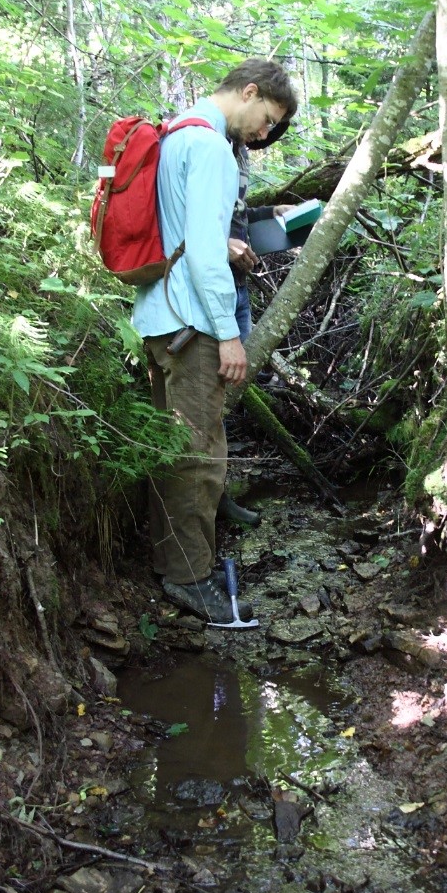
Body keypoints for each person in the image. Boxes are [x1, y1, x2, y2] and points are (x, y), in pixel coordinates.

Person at [132, 59, 298, 624]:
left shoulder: (176, 131)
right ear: (249, 92)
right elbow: (205, 252)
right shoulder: (209, 148)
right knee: (199, 454)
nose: (265, 132)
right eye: (267, 118)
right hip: (192, 325)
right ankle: (190, 578)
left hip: (159, 317)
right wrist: (228, 335)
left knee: (175, 446)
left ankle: (170, 560)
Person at [217, 119, 293, 529]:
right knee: (210, 397)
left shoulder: (240, 151)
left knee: (229, 392)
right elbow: (186, 222)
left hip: (236, 286)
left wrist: (271, 214)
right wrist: (221, 245)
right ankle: (214, 496)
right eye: (266, 124)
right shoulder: (204, 140)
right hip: (211, 291)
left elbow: (234, 216)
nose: (265, 136)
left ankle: (218, 491)